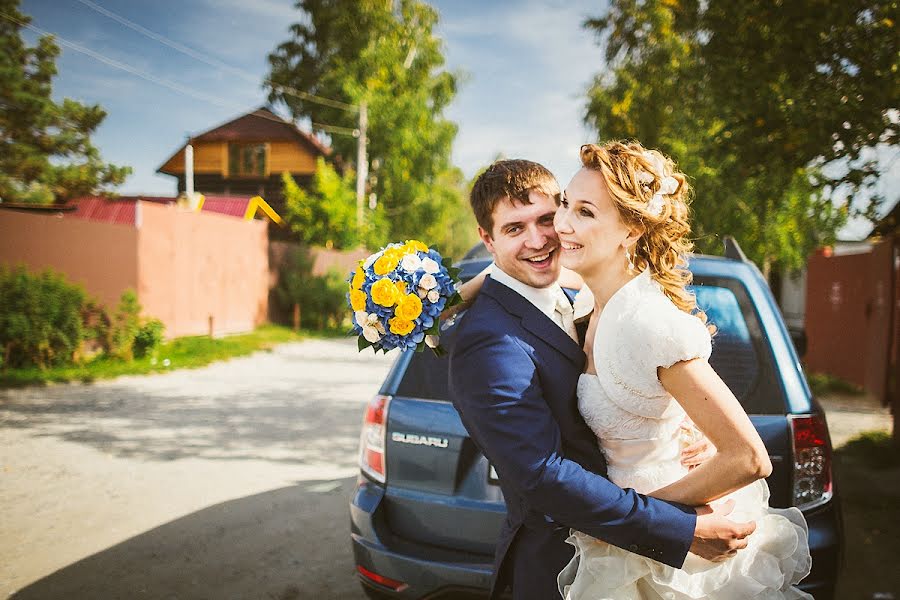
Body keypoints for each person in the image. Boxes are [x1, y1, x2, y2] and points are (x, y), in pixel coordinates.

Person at [447, 158, 760, 600]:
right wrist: (678, 528)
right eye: (514, 229)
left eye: (547, 217)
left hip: (627, 553)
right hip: (561, 565)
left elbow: (640, 387)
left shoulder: (583, 297)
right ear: (487, 239)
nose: (539, 240)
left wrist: (683, 426)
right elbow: (541, 475)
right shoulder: (487, 340)